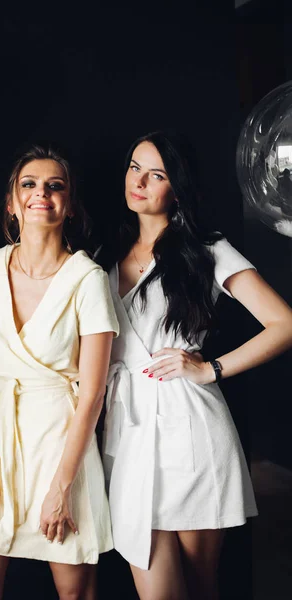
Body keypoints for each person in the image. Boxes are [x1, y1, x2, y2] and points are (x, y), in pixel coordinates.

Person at [97, 131, 292, 600]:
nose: (139, 181)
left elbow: (283, 323)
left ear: (177, 189)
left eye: (156, 174)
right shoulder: (103, 258)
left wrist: (211, 369)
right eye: (134, 167)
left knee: (203, 589)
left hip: (192, 434)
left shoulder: (206, 249)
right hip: (127, 436)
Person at [0, 143, 119, 600]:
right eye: (28, 184)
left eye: (54, 185)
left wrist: (62, 486)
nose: (40, 193)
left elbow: (92, 394)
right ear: (11, 202)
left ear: (69, 205)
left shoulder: (87, 279)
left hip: (62, 445)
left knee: (74, 594)